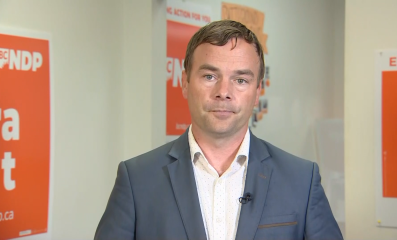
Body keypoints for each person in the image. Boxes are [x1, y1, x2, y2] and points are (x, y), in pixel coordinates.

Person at [95, 20, 343, 240]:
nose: (224, 92)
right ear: (185, 82)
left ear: (257, 92)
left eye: (241, 80)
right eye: (210, 76)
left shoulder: (301, 180)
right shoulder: (137, 180)